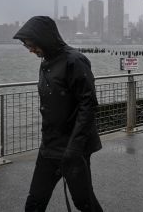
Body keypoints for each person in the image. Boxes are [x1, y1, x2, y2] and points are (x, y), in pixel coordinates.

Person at [13, 16, 103, 212]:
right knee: (35, 201)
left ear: (44, 39)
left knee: (84, 202)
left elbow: (88, 106)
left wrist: (74, 148)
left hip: (74, 148)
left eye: (32, 45)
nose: (30, 50)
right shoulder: (46, 61)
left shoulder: (75, 61)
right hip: (49, 146)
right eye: (27, 46)